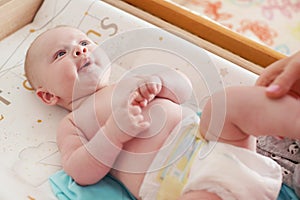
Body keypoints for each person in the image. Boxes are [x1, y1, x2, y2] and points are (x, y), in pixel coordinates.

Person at [24, 26, 300, 200]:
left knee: (226, 102)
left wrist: (162, 81)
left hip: (214, 145)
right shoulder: (73, 123)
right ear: (48, 95)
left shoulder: (133, 79)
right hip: (180, 186)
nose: (79, 50)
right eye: (61, 54)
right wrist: (113, 132)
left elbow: (183, 91)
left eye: (84, 42)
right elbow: (79, 171)